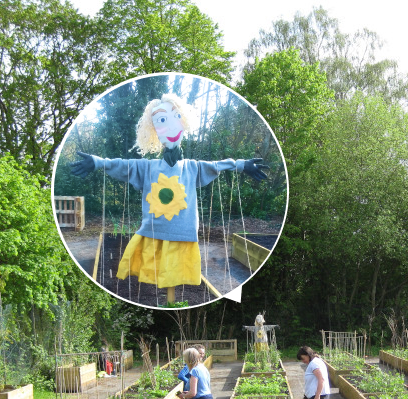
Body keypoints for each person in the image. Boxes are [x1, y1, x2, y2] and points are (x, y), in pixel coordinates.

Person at [70, 93, 268, 291]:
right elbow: (123, 166)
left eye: (175, 117)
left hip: (184, 236)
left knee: (174, 277)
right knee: (157, 276)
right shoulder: (148, 168)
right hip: (153, 234)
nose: (170, 127)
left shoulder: (192, 168)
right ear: (154, 130)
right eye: (162, 121)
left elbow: (216, 165)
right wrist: (98, 162)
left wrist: (240, 165)